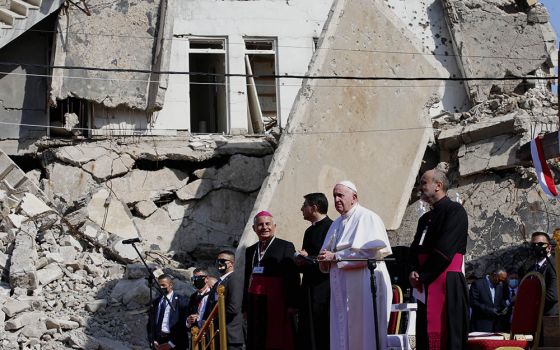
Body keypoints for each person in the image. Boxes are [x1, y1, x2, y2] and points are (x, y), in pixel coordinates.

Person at [317, 181, 392, 350]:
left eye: (340, 195)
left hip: (364, 285)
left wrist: (335, 256)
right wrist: (324, 260)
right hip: (340, 290)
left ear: (354, 197)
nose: (336, 199)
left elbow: (369, 253)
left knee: (364, 333)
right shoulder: (336, 223)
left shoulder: (368, 217)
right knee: (341, 331)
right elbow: (327, 254)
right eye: (334, 195)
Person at [409, 168, 469, 350]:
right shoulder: (425, 218)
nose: (420, 187)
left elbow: (445, 250)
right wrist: (413, 270)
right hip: (425, 283)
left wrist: (423, 275)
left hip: (446, 283)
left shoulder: (455, 211)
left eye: (423, 182)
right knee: (425, 336)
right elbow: (414, 249)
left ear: (438, 185)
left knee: (448, 336)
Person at [243, 211, 300, 350]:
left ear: (274, 226)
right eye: (260, 225)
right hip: (254, 301)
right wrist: (244, 306)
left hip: (277, 301)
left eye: (268, 224)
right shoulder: (250, 250)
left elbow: (293, 276)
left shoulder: (286, 246)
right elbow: (247, 277)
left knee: (276, 338)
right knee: (256, 337)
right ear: (254, 228)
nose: (264, 227)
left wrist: (293, 303)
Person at [294, 193, 332, 350]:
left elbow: (328, 258)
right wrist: (300, 261)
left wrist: (307, 257)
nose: (301, 208)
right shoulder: (309, 231)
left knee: (321, 328)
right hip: (309, 287)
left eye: (304, 205)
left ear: (314, 207)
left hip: (323, 287)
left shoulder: (331, 227)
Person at [206, 250, 245, 350]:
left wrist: (213, 320)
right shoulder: (219, 282)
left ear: (231, 263)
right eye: (218, 260)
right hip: (217, 334)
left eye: (222, 261)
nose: (219, 263)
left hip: (229, 335)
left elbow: (234, 307)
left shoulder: (234, 279)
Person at [147, 274, 189, 350]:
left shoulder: (181, 301)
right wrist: (152, 340)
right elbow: (150, 324)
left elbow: (183, 325)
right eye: (159, 285)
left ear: (171, 285)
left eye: (163, 285)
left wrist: (171, 344)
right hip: (158, 341)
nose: (161, 287)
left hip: (175, 342)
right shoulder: (156, 302)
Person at [521, 231, 558, 316]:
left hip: (549, 317)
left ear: (549, 247)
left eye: (541, 244)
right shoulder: (532, 268)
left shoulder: (553, 265)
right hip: (534, 316)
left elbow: (553, 295)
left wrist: (529, 298)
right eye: (533, 245)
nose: (537, 247)